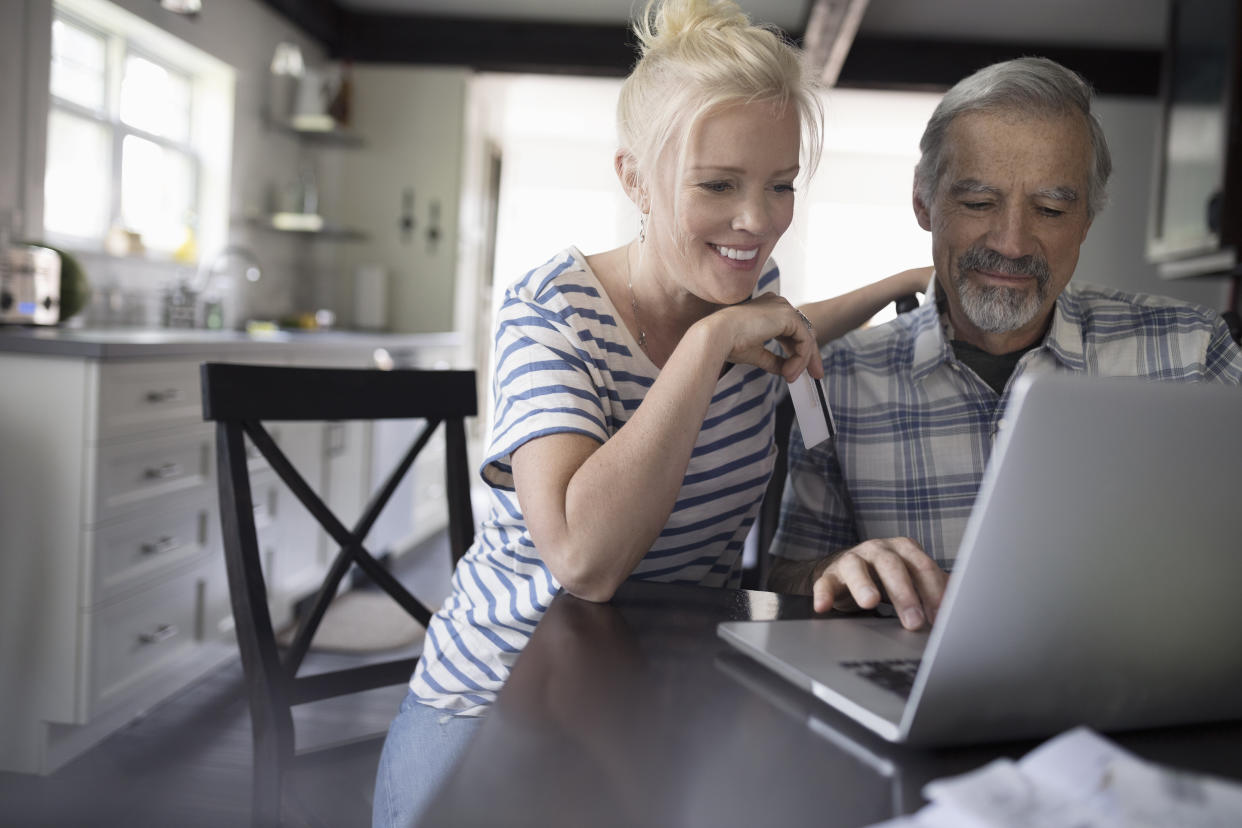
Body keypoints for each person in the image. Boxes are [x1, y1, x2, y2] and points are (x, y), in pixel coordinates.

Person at [371, 2, 920, 825]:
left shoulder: (751, 305)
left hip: (670, 693)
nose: (757, 221)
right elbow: (585, 563)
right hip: (498, 703)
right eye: (718, 185)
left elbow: (794, 326)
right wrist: (705, 349)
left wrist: (901, 286)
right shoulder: (551, 312)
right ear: (635, 179)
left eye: (781, 186)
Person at [770, 56, 1242, 633]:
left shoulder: (1193, 352)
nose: (1013, 243)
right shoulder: (836, 381)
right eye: (978, 203)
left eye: (1050, 209)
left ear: (1087, 218)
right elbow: (784, 578)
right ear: (924, 202)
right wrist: (836, 570)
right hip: (922, 698)